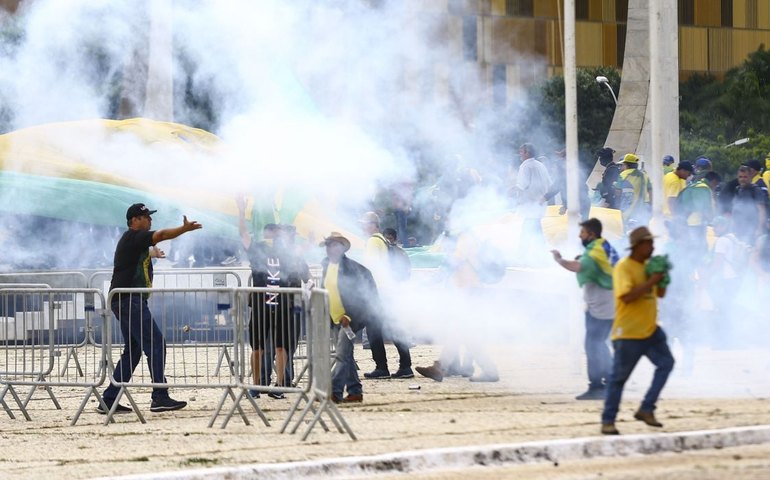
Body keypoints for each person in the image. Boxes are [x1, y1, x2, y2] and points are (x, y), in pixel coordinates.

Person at [99, 203, 202, 414]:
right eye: (146, 217)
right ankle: (160, 396)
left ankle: (109, 399)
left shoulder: (133, 241)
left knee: (134, 351)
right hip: (129, 300)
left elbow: (136, 257)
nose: (150, 220)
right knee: (156, 344)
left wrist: (151, 254)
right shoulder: (134, 237)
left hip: (125, 300)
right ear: (134, 220)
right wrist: (183, 229)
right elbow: (161, 235)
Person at [601, 226, 674, 435]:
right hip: (629, 333)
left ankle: (647, 408)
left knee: (666, 363)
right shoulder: (624, 267)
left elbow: (660, 294)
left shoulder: (648, 267)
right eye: (649, 243)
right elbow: (626, 297)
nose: (652, 247)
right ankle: (608, 421)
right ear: (638, 246)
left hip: (650, 330)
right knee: (618, 379)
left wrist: (663, 278)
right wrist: (652, 280)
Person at [236, 198, 309, 399]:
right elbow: (243, 235)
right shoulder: (258, 248)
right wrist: (241, 212)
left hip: (282, 305)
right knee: (258, 348)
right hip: (261, 305)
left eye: (278, 233)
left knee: (281, 347)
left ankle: (279, 385)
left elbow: (300, 261)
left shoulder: (287, 253)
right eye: (273, 232)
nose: (275, 237)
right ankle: (256, 385)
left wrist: (307, 242)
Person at [551, 218, 619, 400]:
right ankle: (611, 381)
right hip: (607, 302)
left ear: (592, 234)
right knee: (599, 343)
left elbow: (578, 266)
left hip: (602, 304)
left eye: (582, 233)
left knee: (593, 344)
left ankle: (597, 386)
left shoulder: (595, 250)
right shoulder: (602, 246)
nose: (580, 236)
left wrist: (559, 260)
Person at [319, 232, 383, 403]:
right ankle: (355, 391)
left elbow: (359, 296)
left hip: (349, 319)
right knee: (346, 355)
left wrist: (349, 315)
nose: (330, 248)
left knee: (341, 355)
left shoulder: (352, 268)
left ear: (342, 248)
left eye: (334, 245)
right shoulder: (326, 265)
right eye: (328, 245)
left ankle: (334, 392)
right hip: (334, 318)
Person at [358, 211, 413, 379]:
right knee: (394, 327)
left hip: (378, 291)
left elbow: (371, 268)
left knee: (374, 330)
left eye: (364, 224)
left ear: (372, 225)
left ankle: (381, 367)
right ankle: (405, 366)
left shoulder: (373, 241)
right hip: (388, 290)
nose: (362, 227)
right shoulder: (383, 240)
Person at [512, 143, 552, 262]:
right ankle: (540, 255)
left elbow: (522, 186)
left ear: (527, 153)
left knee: (528, 228)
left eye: (521, 152)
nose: (520, 154)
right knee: (534, 228)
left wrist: (511, 190)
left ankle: (522, 256)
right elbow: (549, 184)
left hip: (530, 204)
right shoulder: (541, 165)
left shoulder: (525, 166)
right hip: (540, 203)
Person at [732, 165, 768, 246]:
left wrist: (759, 229)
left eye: (745, 177)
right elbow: (735, 209)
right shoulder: (738, 189)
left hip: (752, 230)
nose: (742, 179)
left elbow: (762, 211)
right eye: (740, 177)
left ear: (750, 177)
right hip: (740, 229)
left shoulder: (755, 190)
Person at [614, 153, 652, 231]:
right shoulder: (645, 175)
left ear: (626, 165)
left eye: (622, 165)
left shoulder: (623, 175)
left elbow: (618, 192)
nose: (620, 167)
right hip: (643, 210)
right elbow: (651, 192)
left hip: (628, 210)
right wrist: (651, 205)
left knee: (627, 232)